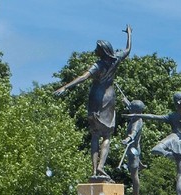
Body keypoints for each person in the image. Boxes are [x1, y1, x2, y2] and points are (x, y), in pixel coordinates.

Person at [54, 25, 132, 180]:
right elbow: (128, 49)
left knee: (95, 135)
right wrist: (129, 34)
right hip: (109, 98)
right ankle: (101, 167)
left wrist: (65, 87)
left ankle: (95, 170)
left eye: (97, 49)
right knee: (107, 135)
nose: (94, 51)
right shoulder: (116, 58)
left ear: (102, 51)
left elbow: (83, 77)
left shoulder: (98, 65)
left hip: (96, 99)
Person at [119, 98, 145, 195]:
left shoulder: (136, 122)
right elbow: (132, 107)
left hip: (133, 151)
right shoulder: (137, 117)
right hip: (133, 150)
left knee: (134, 175)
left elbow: (133, 134)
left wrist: (127, 139)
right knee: (133, 174)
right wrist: (126, 102)